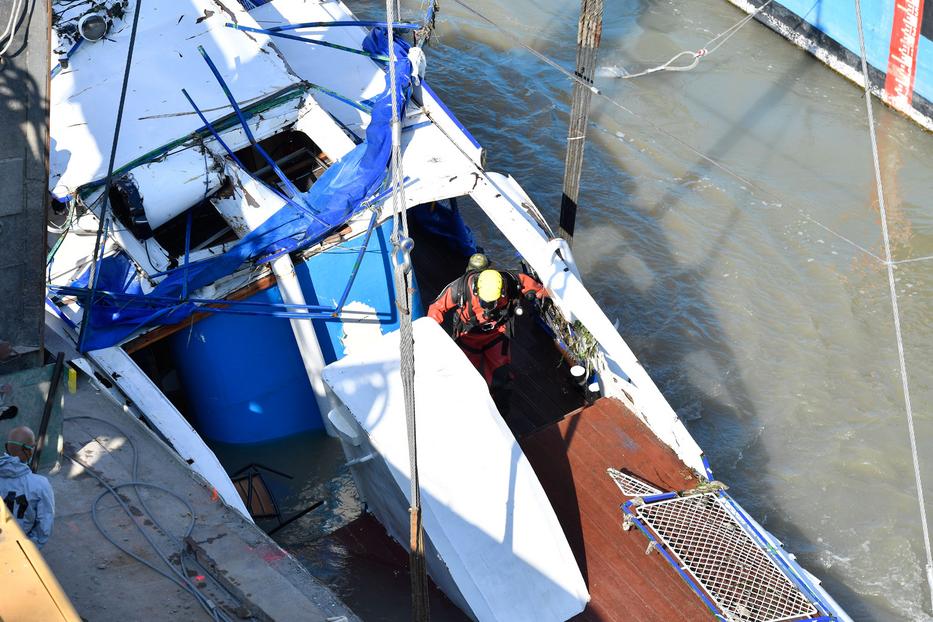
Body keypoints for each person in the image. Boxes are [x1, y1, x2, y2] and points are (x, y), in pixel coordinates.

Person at [428, 267, 549, 415]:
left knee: (501, 377)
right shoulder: (459, 289)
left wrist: (541, 292)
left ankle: (500, 413)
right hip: (468, 338)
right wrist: (431, 336)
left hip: (496, 335)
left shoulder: (510, 282)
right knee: (464, 377)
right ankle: (466, 410)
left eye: (493, 302)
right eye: (485, 303)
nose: (489, 307)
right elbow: (436, 308)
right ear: (476, 290)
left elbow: (528, 284)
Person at [0, 426, 55, 548]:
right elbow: (44, 524)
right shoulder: (40, 485)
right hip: (20, 544)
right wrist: (32, 546)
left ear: (7, 447)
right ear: (29, 451)